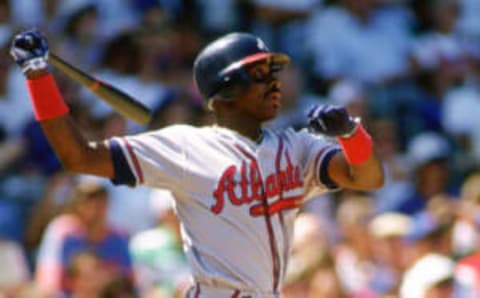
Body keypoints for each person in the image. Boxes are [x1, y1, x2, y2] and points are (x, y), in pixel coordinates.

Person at [10, 29, 384, 297]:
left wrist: (351, 134)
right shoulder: (187, 146)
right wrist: (38, 78)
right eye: (258, 75)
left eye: (272, 73)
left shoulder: (297, 146)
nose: (274, 84)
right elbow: (79, 157)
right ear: (226, 88)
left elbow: (367, 178)